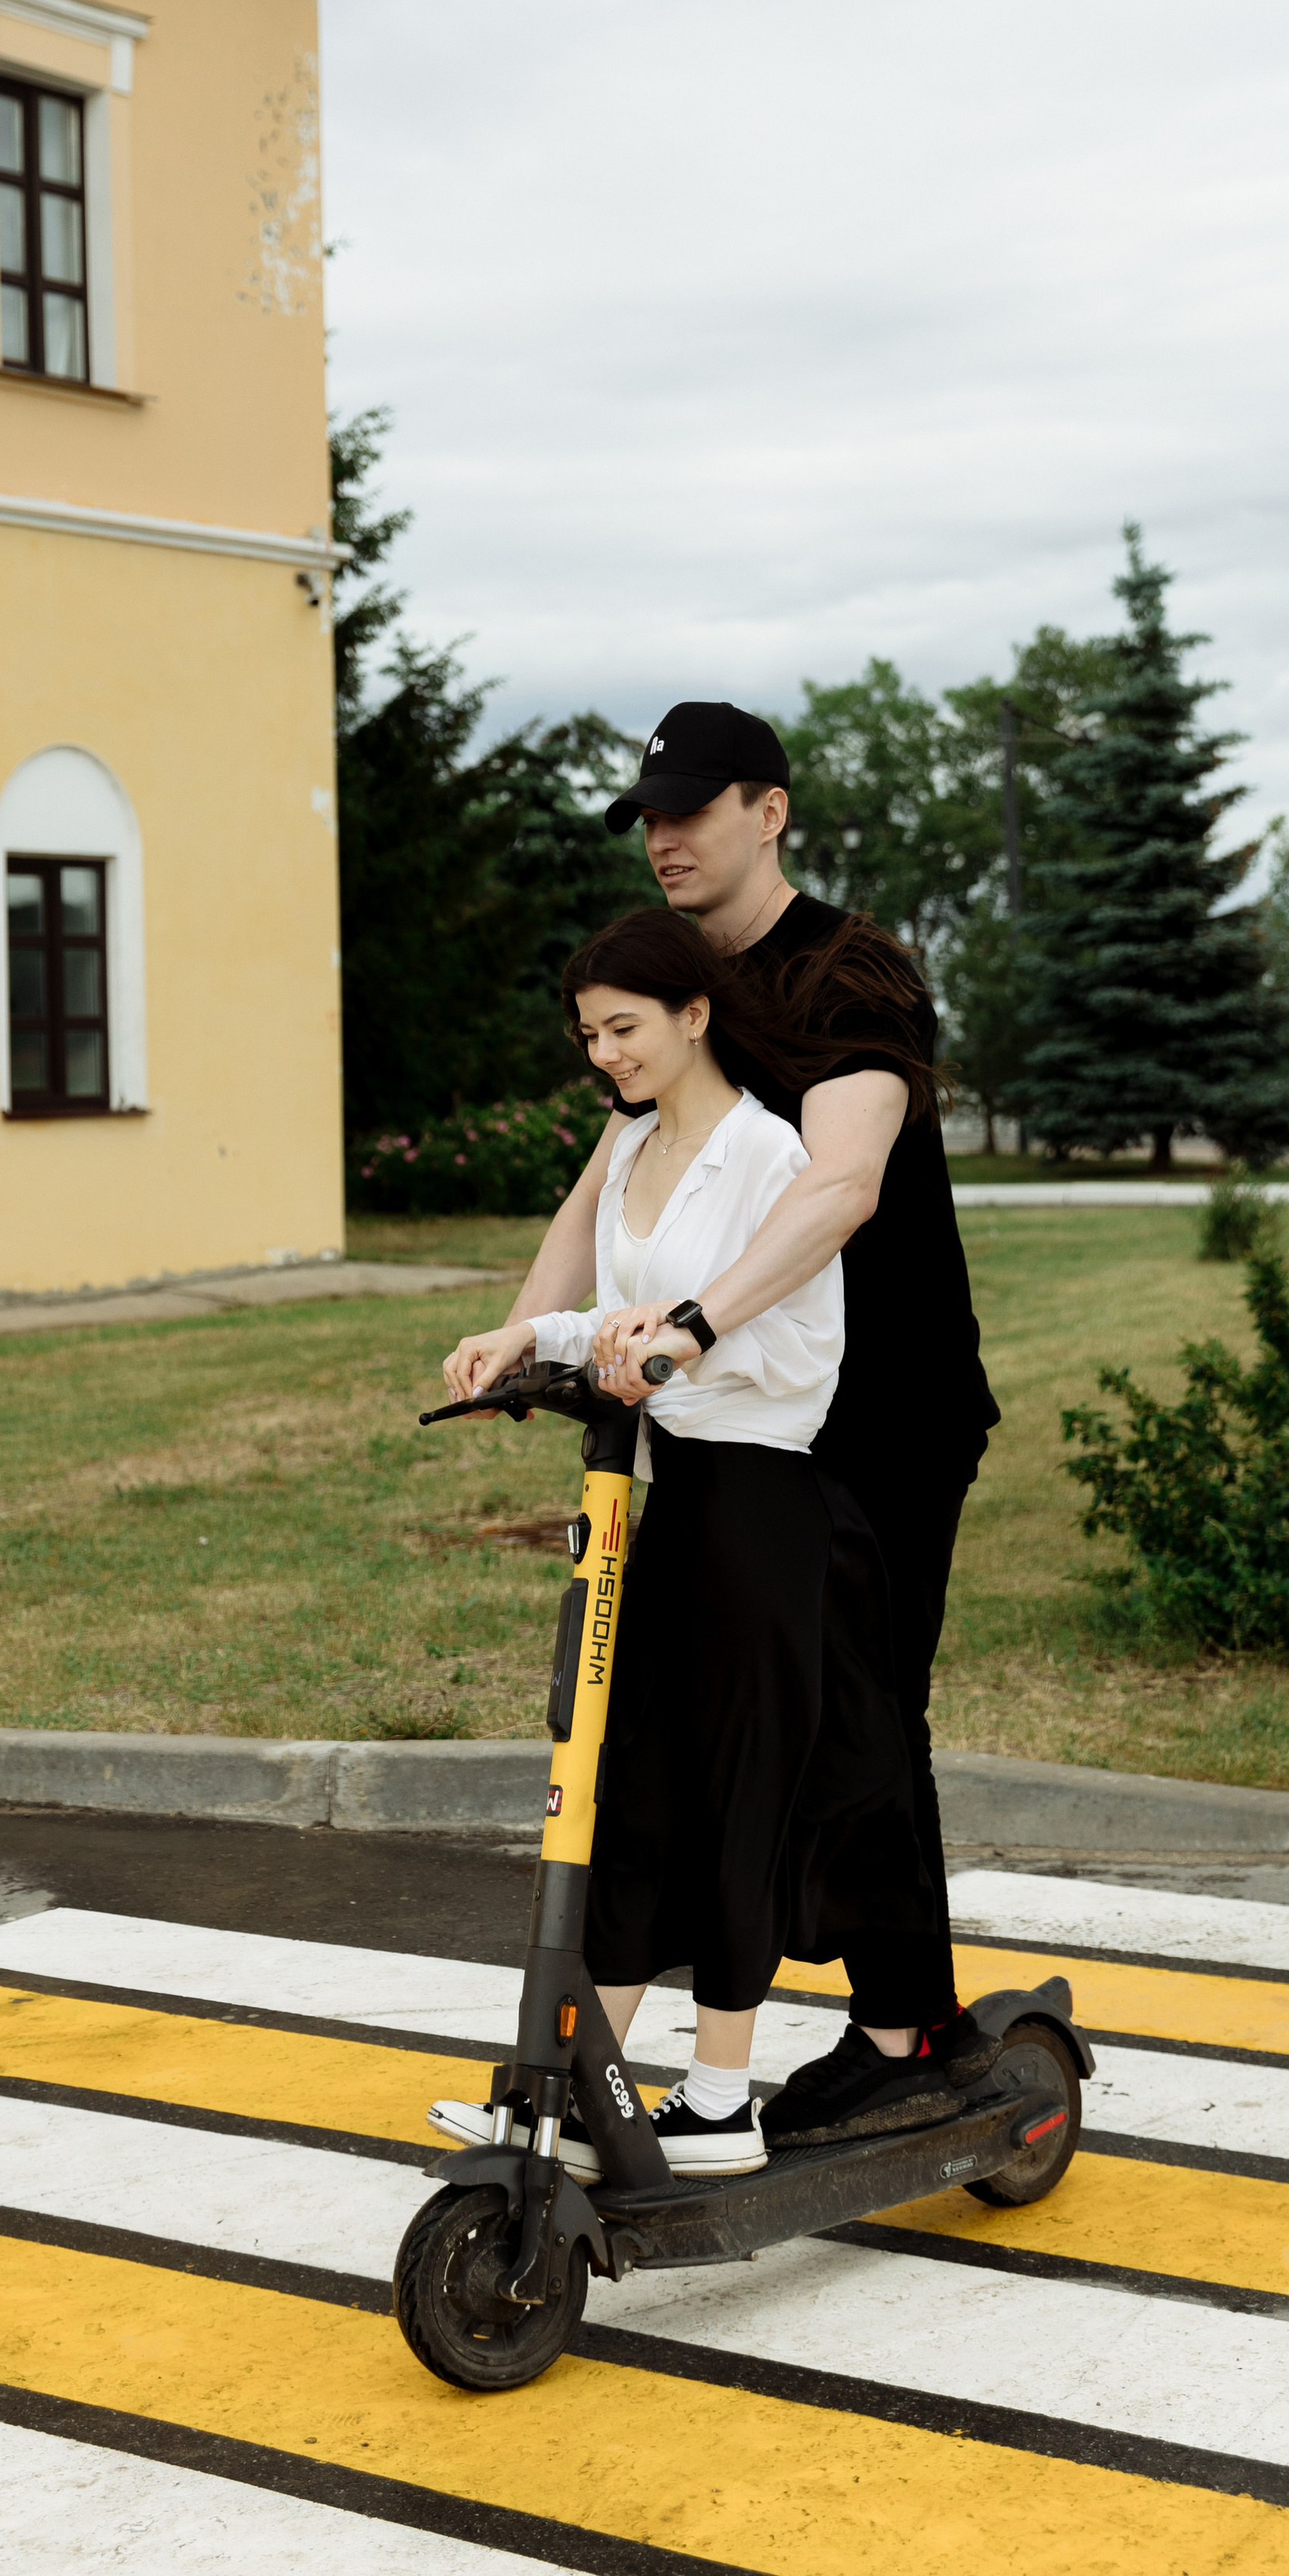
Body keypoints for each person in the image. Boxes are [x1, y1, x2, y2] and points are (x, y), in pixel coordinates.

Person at [502, 699, 1002, 2145]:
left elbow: (840, 1185)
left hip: (885, 1412)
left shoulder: (853, 975)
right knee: (708, 1720)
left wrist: (698, 1323)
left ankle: (908, 2028)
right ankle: (664, 2040)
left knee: (860, 1709)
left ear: (767, 811)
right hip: (733, 1421)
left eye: (694, 808)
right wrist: (523, 1340)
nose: (665, 836)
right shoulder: (662, 982)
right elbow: (606, 1179)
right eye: (650, 816)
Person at [429, 909, 944, 2180]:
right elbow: (617, 1312)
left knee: (737, 1794)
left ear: (695, 1014)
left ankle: (717, 2097)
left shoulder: (768, 1154)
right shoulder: (636, 1141)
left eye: (624, 1029)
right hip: (669, 1501)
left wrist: (686, 1342)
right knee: (635, 1796)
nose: (604, 1054)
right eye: (589, 1034)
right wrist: (526, 1345)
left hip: (766, 1508)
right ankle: (561, 2091)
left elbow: (786, 1335)